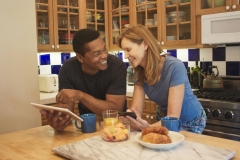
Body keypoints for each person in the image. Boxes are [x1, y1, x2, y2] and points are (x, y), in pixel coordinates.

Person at [117, 24, 206, 134]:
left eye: (128, 49)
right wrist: (132, 118)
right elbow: (137, 110)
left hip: (190, 120)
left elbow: (173, 116)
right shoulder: (138, 72)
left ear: (145, 44)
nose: (125, 56)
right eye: (123, 51)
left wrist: (148, 128)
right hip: (164, 119)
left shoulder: (174, 67)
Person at [40, 28, 127, 131]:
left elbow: (115, 110)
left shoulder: (117, 66)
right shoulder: (68, 69)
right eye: (96, 54)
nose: (104, 55)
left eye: (104, 49)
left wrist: (80, 95)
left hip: (115, 126)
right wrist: (60, 119)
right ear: (80, 58)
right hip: (86, 125)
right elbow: (66, 108)